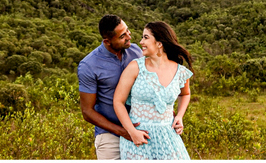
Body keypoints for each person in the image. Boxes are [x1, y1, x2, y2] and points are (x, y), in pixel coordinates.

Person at [113, 21, 193, 160]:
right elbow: (118, 101)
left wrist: (179, 116)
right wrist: (132, 132)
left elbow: (185, 94)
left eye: (146, 37)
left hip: (168, 137)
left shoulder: (180, 71)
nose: (141, 42)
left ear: (159, 43)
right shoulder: (135, 67)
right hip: (139, 138)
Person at [78, 14, 148, 159]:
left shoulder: (137, 52)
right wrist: (123, 132)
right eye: (122, 36)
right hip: (110, 135)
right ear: (107, 41)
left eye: (127, 31)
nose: (129, 37)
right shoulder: (89, 65)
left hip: (142, 128)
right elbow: (87, 111)